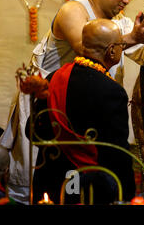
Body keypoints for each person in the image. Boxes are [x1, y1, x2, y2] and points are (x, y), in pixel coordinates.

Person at [0, 0, 144, 204]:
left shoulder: (118, 22)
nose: (126, 0)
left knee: (87, 189)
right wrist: (133, 36)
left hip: (90, 118)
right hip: (52, 107)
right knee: (40, 185)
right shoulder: (73, 10)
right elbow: (86, 48)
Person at [28, 19, 136, 204]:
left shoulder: (55, 77)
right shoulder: (113, 91)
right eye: (121, 44)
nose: (121, 48)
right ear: (111, 50)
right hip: (91, 190)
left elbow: (33, 132)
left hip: (50, 185)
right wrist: (128, 194)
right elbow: (116, 153)